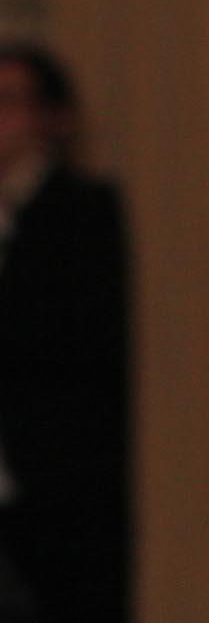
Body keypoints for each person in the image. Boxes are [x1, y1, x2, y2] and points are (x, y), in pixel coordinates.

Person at [0, 45, 130, 623]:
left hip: (61, 490)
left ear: (51, 117)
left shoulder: (84, 210)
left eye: (8, 102)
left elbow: (73, 344)